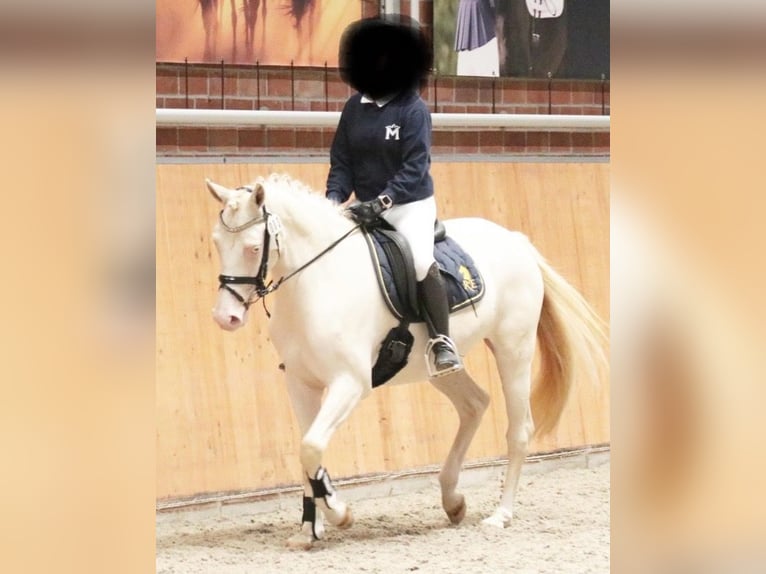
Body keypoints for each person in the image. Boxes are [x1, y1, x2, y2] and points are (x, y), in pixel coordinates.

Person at [326, 15, 461, 375]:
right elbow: (342, 161)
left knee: (418, 259)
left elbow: (415, 166)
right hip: (366, 204)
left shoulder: (412, 109)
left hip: (408, 204)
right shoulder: (355, 108)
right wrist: (332, 200)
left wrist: (383, 201)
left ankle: (441, 341)